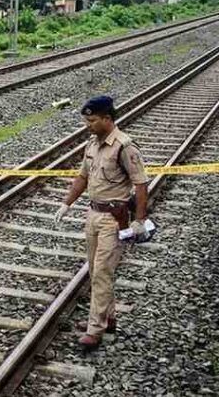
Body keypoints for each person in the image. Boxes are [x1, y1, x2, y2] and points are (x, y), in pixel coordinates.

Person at [54, 96, 149, 350]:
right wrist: (67, 203)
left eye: (92, 120)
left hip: (113, 219)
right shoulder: (92, 144)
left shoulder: (124, 146)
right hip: (93, 213)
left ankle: (95, 329)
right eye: (87, 120)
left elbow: (141, 184)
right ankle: (108, 318)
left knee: (101, 273)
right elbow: (83, 177)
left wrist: (140, 220)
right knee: (95, 270)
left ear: (107, 118)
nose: (88, 125)